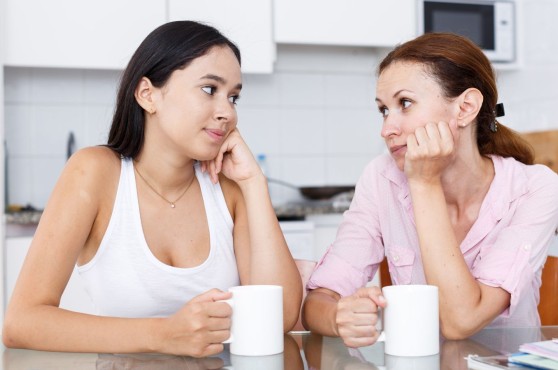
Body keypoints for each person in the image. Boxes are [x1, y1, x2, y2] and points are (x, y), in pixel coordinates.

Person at [2, 20, 302, 357]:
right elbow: (21, 323)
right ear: (148, 94)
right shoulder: (95, 173)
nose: (227, 112)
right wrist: (164, 334)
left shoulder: (229, 189)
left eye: (233, 97)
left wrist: (254, 183)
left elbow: (281, 317)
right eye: (209, 89)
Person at [302, 32, 558, 347]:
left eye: (404, 103)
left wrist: (424, 182)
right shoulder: (382, 178)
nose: (386, 129)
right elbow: (317, 302)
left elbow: (461, 320)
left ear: (465, 108)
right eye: (383, 109)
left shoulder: (535, 187)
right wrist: (338, 317)